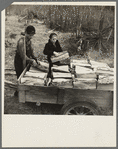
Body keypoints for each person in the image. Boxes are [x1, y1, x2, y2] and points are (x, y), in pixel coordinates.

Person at [14, 25, 38, 96]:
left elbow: (31, 51)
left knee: (26, 77)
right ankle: (17, 93)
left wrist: (35, 58)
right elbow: (23, 56)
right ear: (26, 33)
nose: (31, 37)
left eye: (32, 35)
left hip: (26, 60)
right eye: (30, 35)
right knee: (20, 77)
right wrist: (31, 60)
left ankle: (25, 93)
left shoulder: (29, 41)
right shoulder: (21, 42)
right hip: (19, 61)